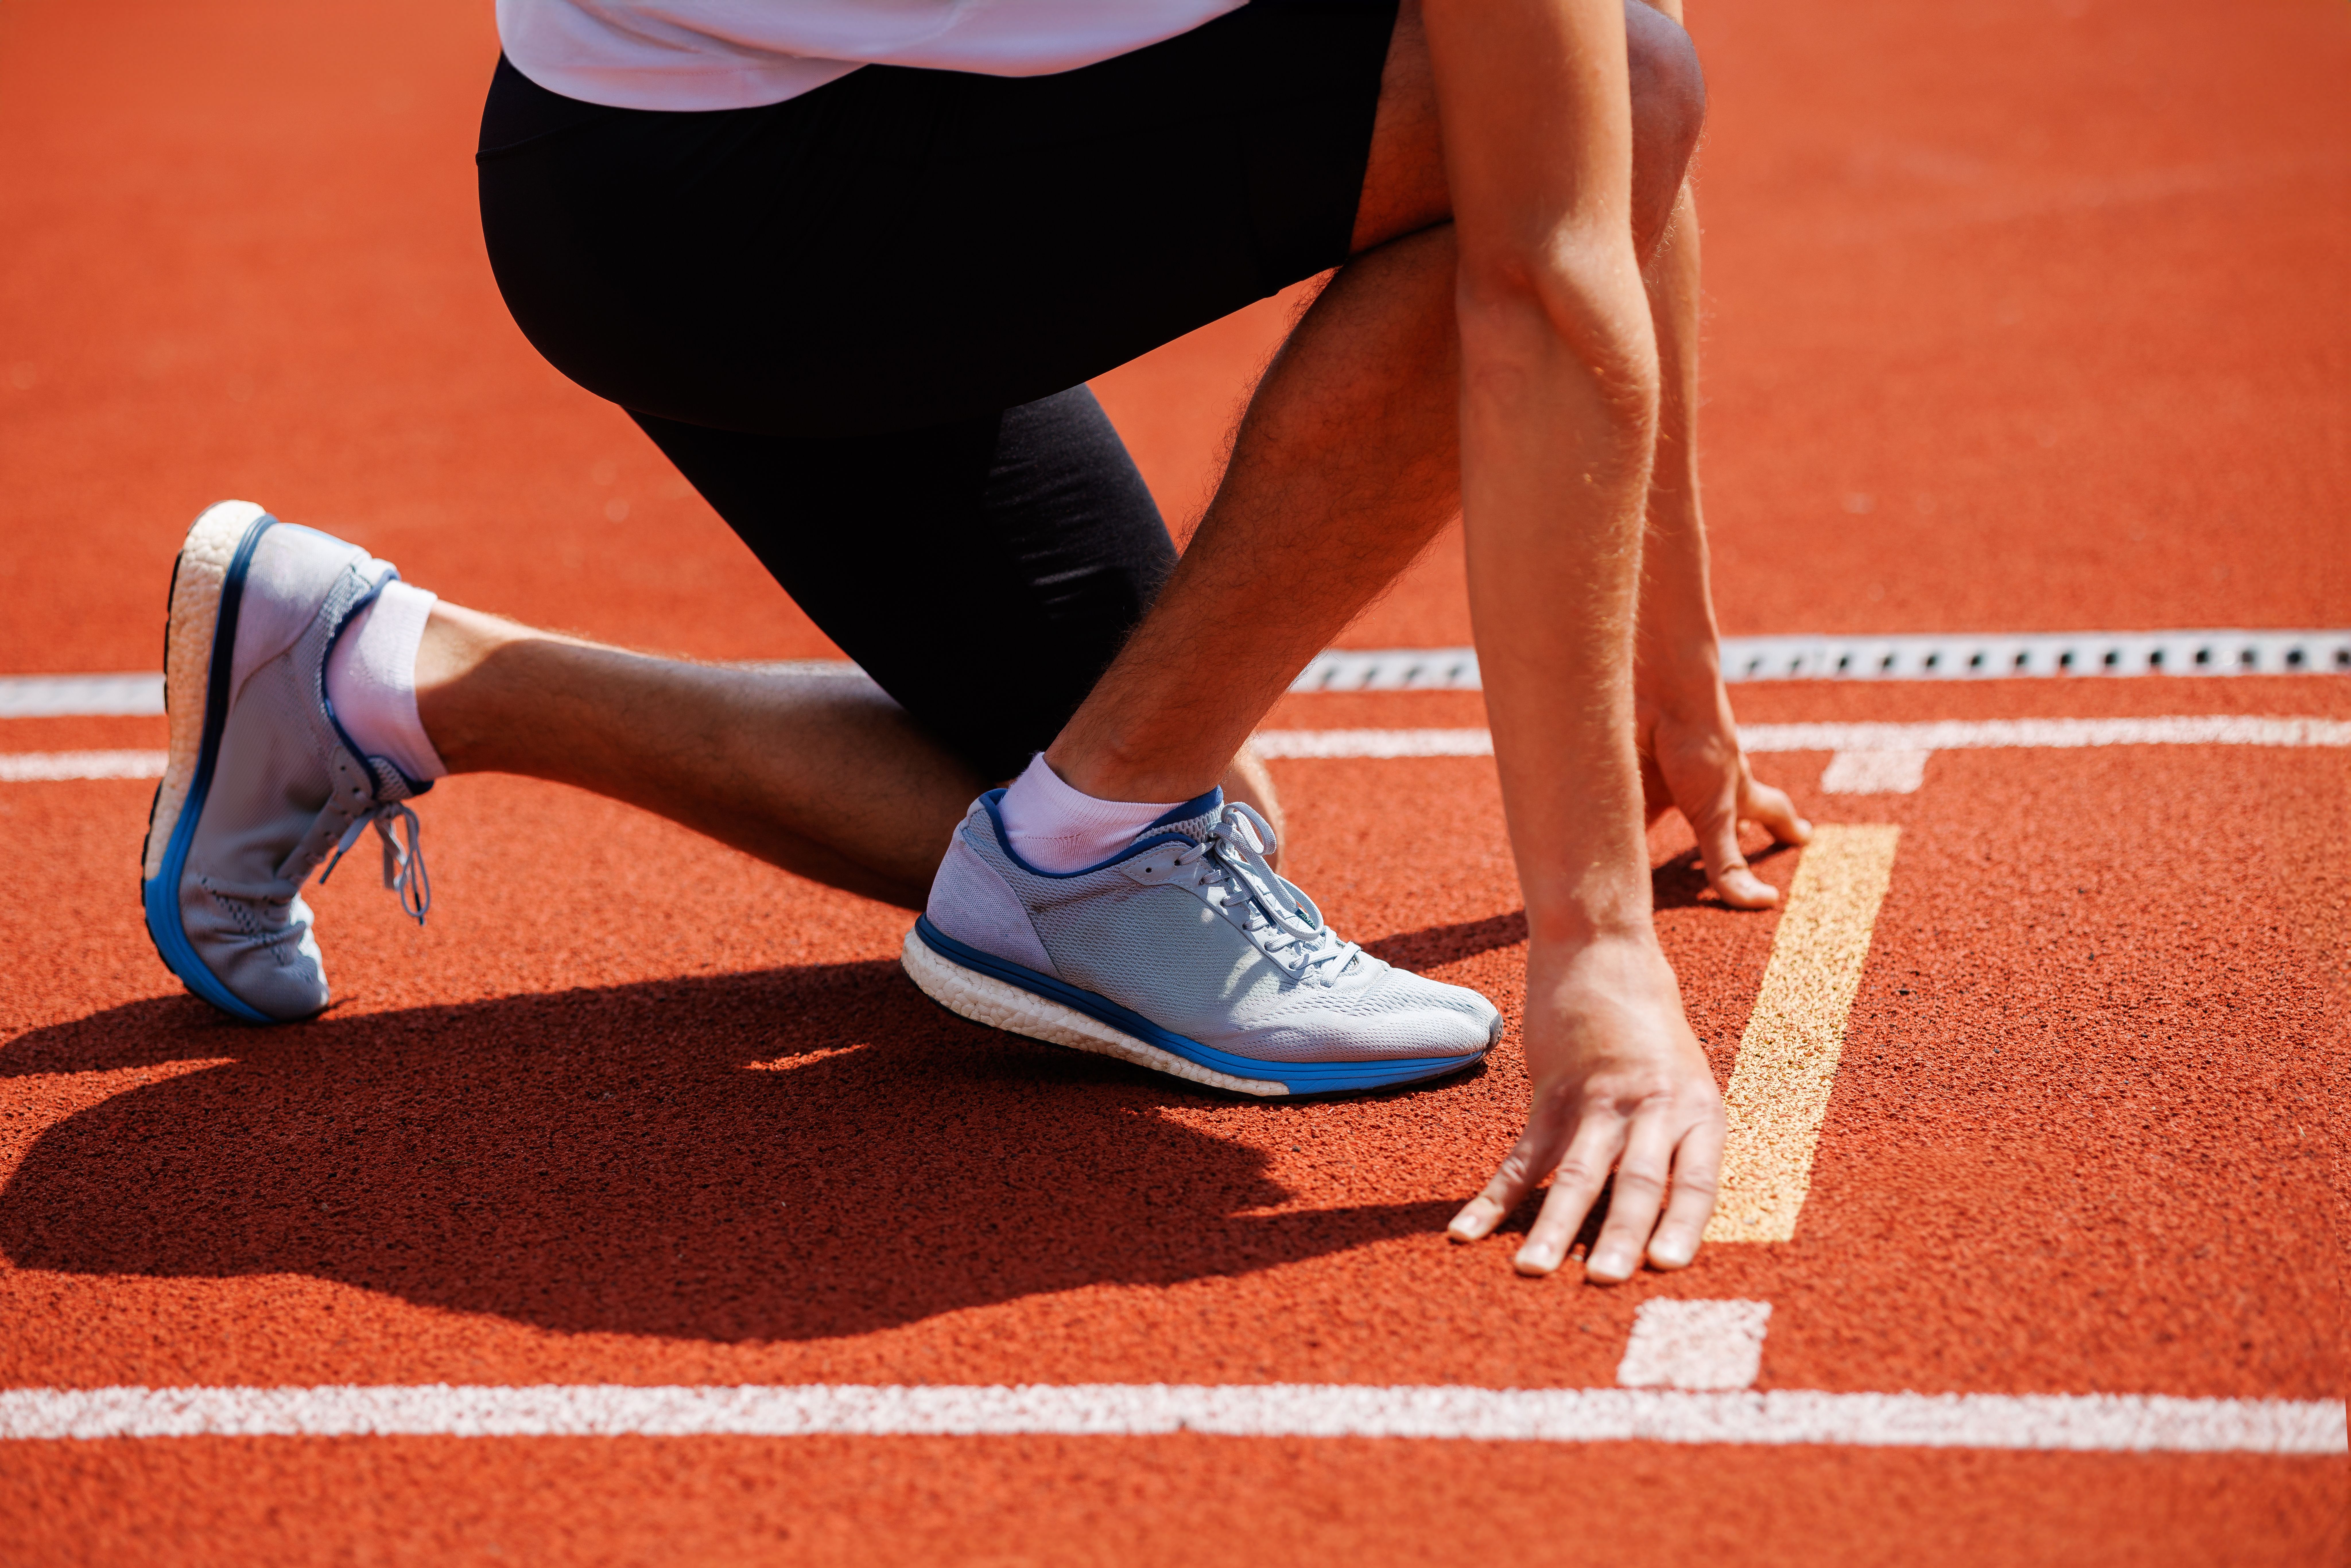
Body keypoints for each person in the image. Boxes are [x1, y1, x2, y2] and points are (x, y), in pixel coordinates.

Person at [139, 0, 1807, 1282]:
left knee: (1173, 775)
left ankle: (363, 670)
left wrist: (1676, 662)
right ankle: (1092, 842)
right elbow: (1565, 204)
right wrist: (1594, 952)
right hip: (739, 192)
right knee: (1136, 796)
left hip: (658, 141)